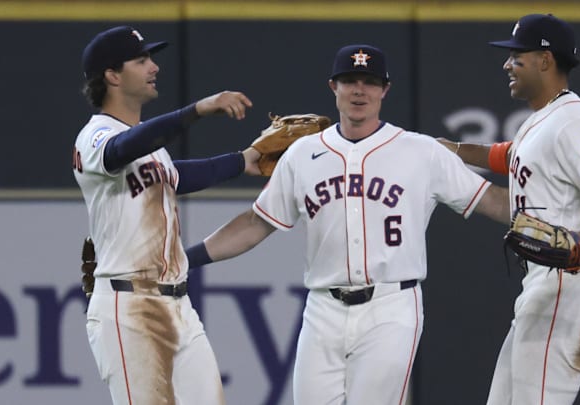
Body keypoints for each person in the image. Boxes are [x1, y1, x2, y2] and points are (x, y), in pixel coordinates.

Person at [183, 43, 511, 404]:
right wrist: (186, 260)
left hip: (390, 305)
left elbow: (490, 200)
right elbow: (254, 224)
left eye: (370, 82)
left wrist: (565, 222)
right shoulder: (302, 154)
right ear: (332, 87)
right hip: (323, 308)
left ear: (385, 89)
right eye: (350, 80)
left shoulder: (420, 150)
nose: (360, 90)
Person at [438, 14, 580, 405]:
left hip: (570, 283)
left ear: (545, 60)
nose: (507, 65)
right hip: (549, 287)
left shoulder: (572, 121)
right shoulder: (543, 120)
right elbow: (508, 155)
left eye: (516, 56)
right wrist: (451, 150)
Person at [72, 25, 261, 405]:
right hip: (130, 307)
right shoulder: (95, 136)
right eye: (141, 60)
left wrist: (243, 161)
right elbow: (120, 150)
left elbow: (177, 175)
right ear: (112, 75)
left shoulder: (148, 142)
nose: (153, 67)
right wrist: (198, 110)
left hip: (179, 305)